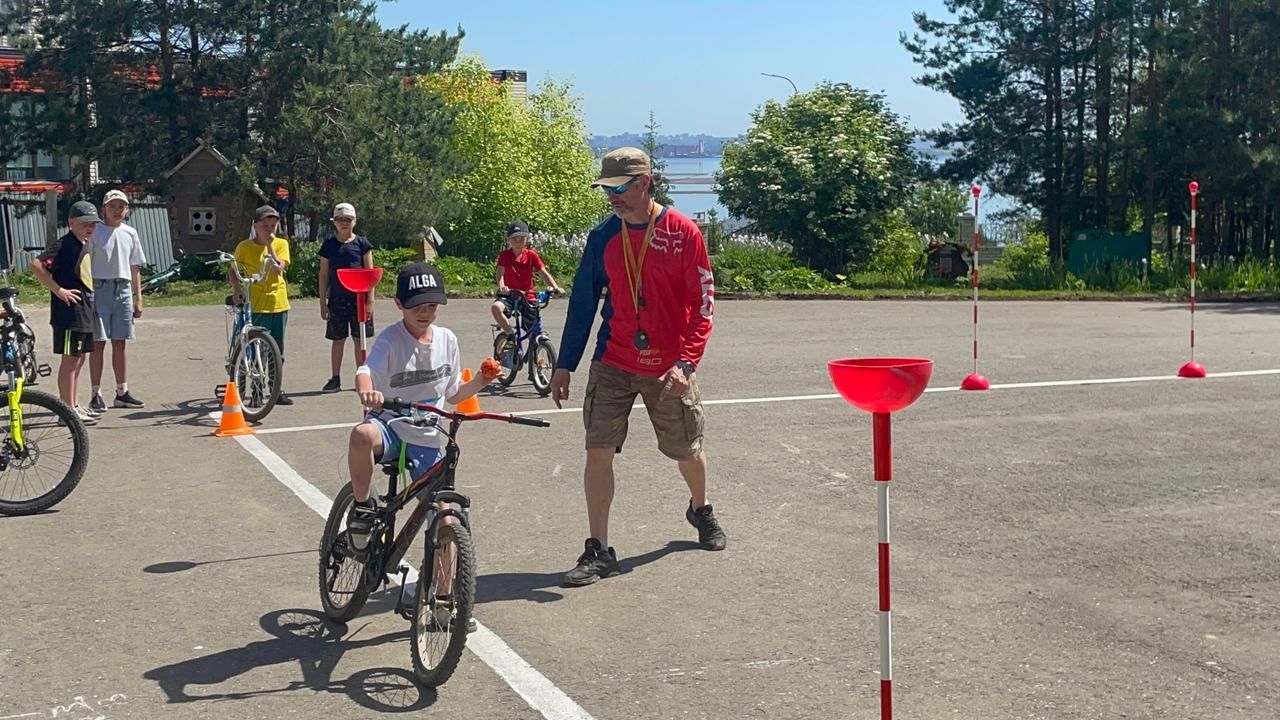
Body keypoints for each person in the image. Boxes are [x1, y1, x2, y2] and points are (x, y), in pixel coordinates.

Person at [550, 146, 723, 587]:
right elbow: (584, 304)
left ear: (646, 182)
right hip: (614, 360)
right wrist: (564, 364)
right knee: (597, 451)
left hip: (669, 366)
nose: (612, 198)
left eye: (620, 188)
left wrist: (687, 362)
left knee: (686, 450)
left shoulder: (683, 233)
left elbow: (702, 306)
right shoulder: (602, 237)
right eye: (606, 189)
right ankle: (599, 549)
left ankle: (700, 508)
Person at [344, 262, 498, 630]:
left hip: (428, 435)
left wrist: (480, 381)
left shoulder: (447, 340)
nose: (426, 313)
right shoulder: (390, 340)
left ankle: (442, 600)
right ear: (399, 304)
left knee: (446, 517)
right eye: (417, 307)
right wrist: (367, 388)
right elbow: (366, 370)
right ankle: (363, 510)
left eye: (432, 306)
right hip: (392, 424)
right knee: (361, 435)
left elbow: (453, 394)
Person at [30, 200, 99, 424]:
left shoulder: (84, 243)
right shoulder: (64, 244)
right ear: (71, 222)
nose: (90, 227)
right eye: (85, 222)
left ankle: (74, 404)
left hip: (84, 309)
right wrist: (58, 290)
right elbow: (36, 265)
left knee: (79, 359)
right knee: (70, 360)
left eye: (93, 223)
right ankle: (65, 411)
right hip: (68, 314)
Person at [87, 189, 146, 412]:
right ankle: (95, 392)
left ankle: (122, 392)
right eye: (112, 206)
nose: (117, 211)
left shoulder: (130, 233)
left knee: (120, 342)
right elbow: (85, 262)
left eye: (121, 207)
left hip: (122, 289)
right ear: (104, 209)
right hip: (99, 287)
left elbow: (135, 268)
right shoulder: (95, 232)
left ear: (127, 209)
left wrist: (138, 297)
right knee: (98, 342)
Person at [232, 205, 293, 405]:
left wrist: (270, 247)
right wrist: (237, 290)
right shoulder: (244, 247)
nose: (269, 230)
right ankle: (256, 388)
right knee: (257, 347)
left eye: (273, 226)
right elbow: (233, 269)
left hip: (278, 302)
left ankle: (276, 388)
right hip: (256, 304)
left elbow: (278, 269)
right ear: (255, 226)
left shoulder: (281, 244)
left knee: (277, 349)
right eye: (265, 226)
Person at [318, 202, 375, 392]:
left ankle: (362, 377)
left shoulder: (362, 244)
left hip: (358, 299)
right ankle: (335, 378)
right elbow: (324, 275)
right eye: (340, 219)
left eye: (348, 220)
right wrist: (323, 303)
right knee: (338, 339)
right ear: (334, 222)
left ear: (355, 222)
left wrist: (370, 302)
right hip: (337, 300)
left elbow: (369, 274)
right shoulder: (329, 245)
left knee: (360, 340)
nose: (344, 223)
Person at [489, 221, 564, 339]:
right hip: (510, 294)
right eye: (515, 239)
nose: (518, 242)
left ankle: (537, 353)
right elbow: (500, 273)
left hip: (527, 295)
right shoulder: (505, 256)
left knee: (534, 332)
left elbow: (543, 273)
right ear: (509, 239)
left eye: (521, 239)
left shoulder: (531, 255)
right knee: (496, 308)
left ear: (527, 239)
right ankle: (510, 333)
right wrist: (502, 286)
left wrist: (556, 287)